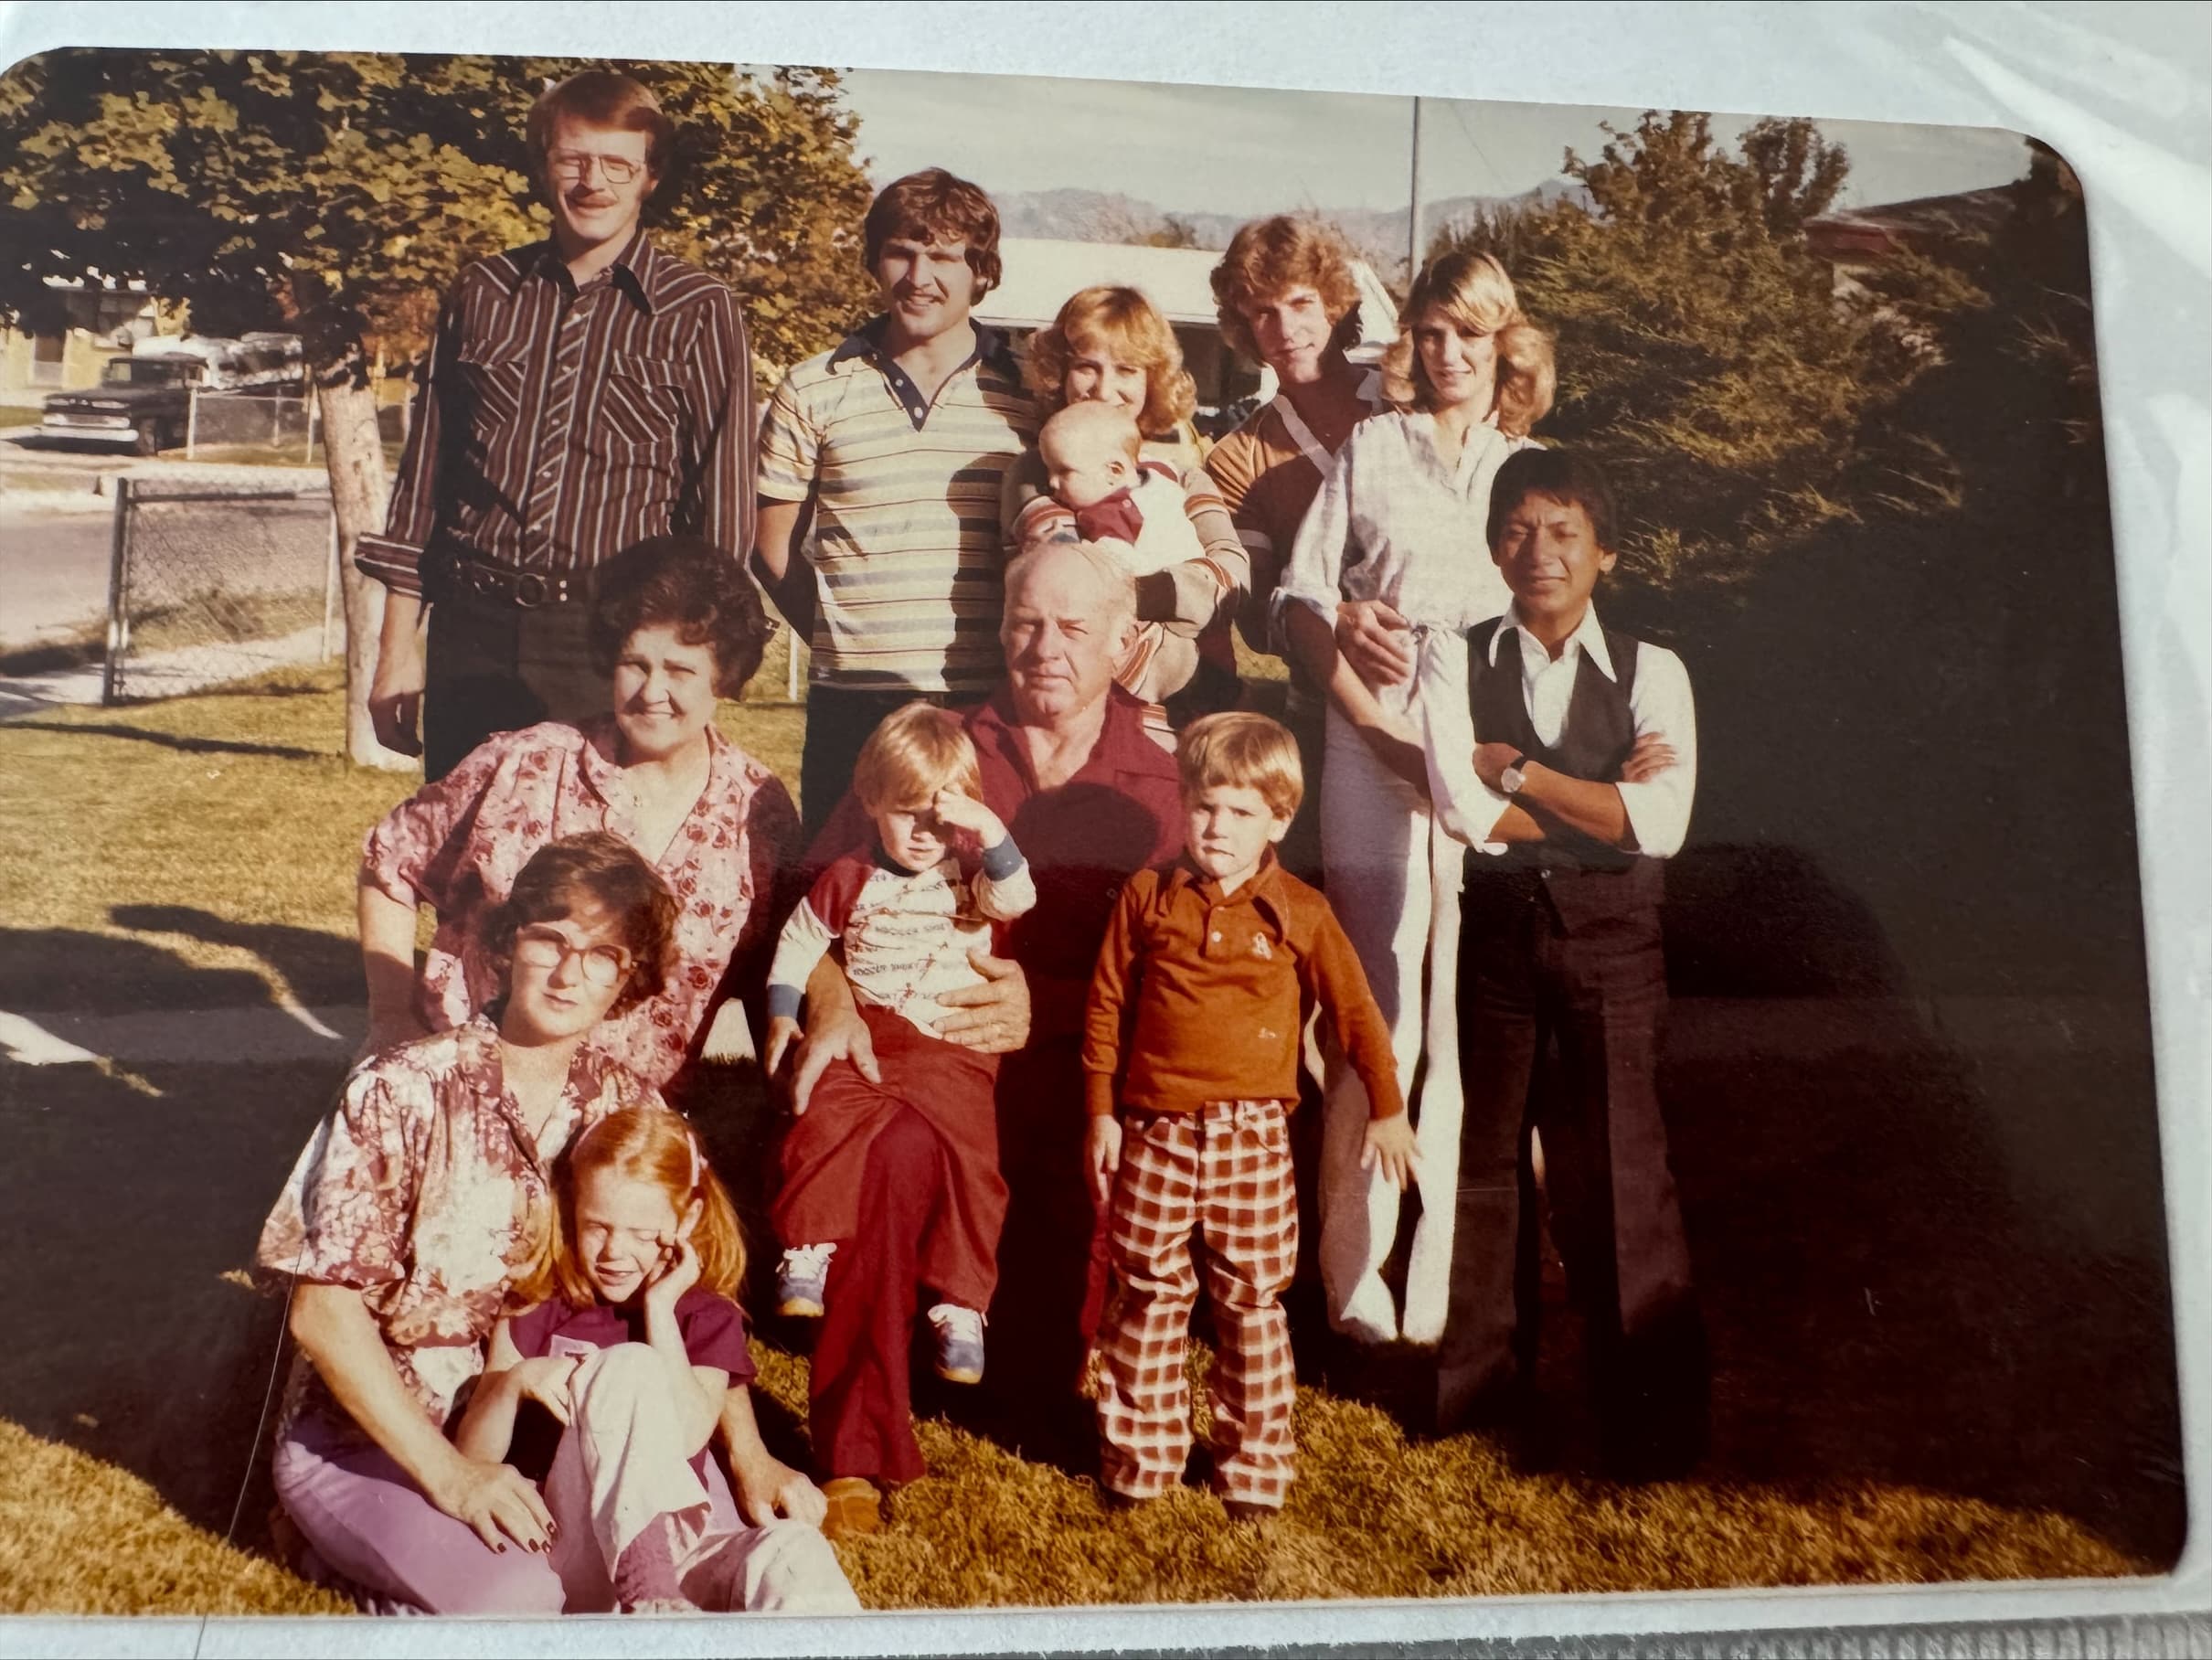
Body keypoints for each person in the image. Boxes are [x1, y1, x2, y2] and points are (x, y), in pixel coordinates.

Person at [784, 540, 1184, 1537]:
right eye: (1025, 623)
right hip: (919, 1049)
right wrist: (830, 1000)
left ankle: (1011, 1359)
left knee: (1032, 1371)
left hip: (1073, 1064)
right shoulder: (934, 746)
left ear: (1124, 643)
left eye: (1074, 628)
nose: (1045, 647)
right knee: (886, 1155)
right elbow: (815, 901)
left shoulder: (1159, 781)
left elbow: (1179, 969)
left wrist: (1046, 1008)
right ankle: (855, 1445)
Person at [259, 835, 692, 1615]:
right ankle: (331, 1548)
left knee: (687, 1572)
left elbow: (690, 1286)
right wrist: (454, 1480)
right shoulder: (400, 1089)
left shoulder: (632, 1109)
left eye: (603, 955)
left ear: (629, 979)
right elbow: (322, 1313)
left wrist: (752, 1456)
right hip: (378, 1442)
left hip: (546, 1434)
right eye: (549, 940)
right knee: (524, 1601)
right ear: (507, 942)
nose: (568, 974)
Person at [1274, 250, 1555, 1347]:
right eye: (1430, 332)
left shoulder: (1530, 468)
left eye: (1467, 335)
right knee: (1374, 992)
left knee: (1470, 1003)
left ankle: (1448, 1267)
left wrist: (1487, 754)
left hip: (1480, 744)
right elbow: (1300, 600)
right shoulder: (1372, 445)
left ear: (1504, 346)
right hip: (1368, 733)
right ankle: (1352, 1269)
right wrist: (1368, 706)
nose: (1446, 353)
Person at [1429, 448, 1706, 1479]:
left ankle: (1648, 1417)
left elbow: (1661, 826)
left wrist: (1520, 774)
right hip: (1497, 938)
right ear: (1493, 545)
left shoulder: (1652, 670)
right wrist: (1598, 807)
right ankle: (1482, 1388)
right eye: (1517, 529)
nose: (1538, 551)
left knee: (1622, 1167)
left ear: (1604, 552)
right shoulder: (1451, 657)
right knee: (1486, 1159)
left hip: (1613, 944)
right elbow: (1457, 811)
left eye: (1563, 532)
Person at [358, 71, 757, 781]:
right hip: (471, 631)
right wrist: (396, 651)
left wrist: (692, 666)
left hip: (609, 638)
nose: (593, 182)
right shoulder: (482, 292)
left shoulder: (699, 308)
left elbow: (722, 513)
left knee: (590, 846)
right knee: (468, 839)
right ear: (545, 166)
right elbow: (425, 483)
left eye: (617, 165)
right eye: (573, 159)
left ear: (650, 176)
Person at [1083, 712, 1413, 1519]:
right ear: (1183, 803)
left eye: (1240, 811)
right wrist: (1102, 1112)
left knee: (1252, 1300)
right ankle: (1141, 1459)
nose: (1217, 827)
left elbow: (1357, 1011)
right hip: (1156, 1129)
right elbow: (1106, 1008)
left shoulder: (1300, 910)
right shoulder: (1147, 896)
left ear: (1279, 820)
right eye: (1204, 806)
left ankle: (1254, 1469)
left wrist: (1387, 1106)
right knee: (1149, 1290)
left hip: (1253, 1137)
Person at [358, 536, 798, 1091]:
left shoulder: (758, 809)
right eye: (635, 664)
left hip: (630, 1118)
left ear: (724, 677)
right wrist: (390, 1015)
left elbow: (783, 960)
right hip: (470, 1089)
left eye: (680, 671)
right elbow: (387, 864)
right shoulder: (525, 763)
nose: (652, 691)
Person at [455, 1108, 858, 1614]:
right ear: (573, 1206)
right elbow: (471, 1456)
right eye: (597, 1226)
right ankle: (649, 1598)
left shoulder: (704, 1317)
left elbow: (687, 1435)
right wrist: (516, 1381)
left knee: (794, 1551)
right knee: (629, 1366)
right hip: (570, 1547)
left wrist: (661, 1308)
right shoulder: (539, 1305)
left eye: (642, 1234)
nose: (614, 1251)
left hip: (682, 1546)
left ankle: (803, 1641)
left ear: (685, 1221)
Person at [755, 167, 1039, 839]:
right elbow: (771, 550)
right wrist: (847, 645)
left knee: (983, 879)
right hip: (854, 703)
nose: (919, 277)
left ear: (982, 271)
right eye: (901, 253)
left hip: (989, 697)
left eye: (942, 257)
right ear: (874, 261)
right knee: (845, 882)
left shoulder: (1031, 392)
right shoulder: (812, 387)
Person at [761, 702, 1037, 1389]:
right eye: (908, 814)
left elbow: (1016, 899)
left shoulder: (967, 875)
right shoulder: (850, 875)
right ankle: (808, 1245)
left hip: (950, 1043)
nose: (924, 834)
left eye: (940, 818)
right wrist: (783, 1014)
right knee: (822, 1112)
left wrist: (989, 830)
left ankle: (962, 1303)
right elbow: (799, 942)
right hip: (871, 1030)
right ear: (870, 801)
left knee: (973, 1159)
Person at [1203, 214, 1390, 884]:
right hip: (1326, 706)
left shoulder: (1404, 397)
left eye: (1302, 303)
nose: (1286, 327)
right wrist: (1334, 618)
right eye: (1263, 312)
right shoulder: (1238, 457)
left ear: (1335, 303)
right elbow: (1257, 619)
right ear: (1243, 326)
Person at [1002, 283, 1248, 727]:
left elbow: (1234, 578)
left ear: (1152, 380)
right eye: (1086, 366)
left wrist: (1141, 593)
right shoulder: (1041, 473)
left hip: (1192, 715)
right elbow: (1071, 584)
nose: (1104, 388)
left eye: (1127, 370)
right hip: (1085, 709)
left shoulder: (1185, 478)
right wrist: (1187, 595)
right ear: (1061, 372)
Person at [1012, 400, 1209, 733]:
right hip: (1196, 612)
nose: (1052, 484)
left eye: (1064, 471)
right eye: (1049, 471)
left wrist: (1061, 546)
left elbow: (1110, 569)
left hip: (1163, 627)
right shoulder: (1157, 483)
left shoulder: (1108, 514)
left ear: (1113, 471)